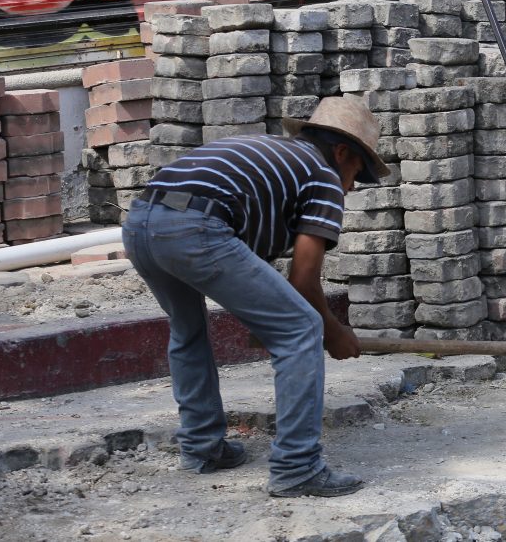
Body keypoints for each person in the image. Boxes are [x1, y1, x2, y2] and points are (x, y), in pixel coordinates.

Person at [122, 97, 389, 497]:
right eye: (355, 173)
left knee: (188, 331)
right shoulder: (321, 174)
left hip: (142, 221)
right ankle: (298, 469)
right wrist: (332, 332)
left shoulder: (273, 157)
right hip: (196, 227)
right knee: (302, 328)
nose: (349, 187)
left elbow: (253, 270)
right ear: (341, 152)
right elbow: (303, 280)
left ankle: (202, 448)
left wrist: (270, 320)